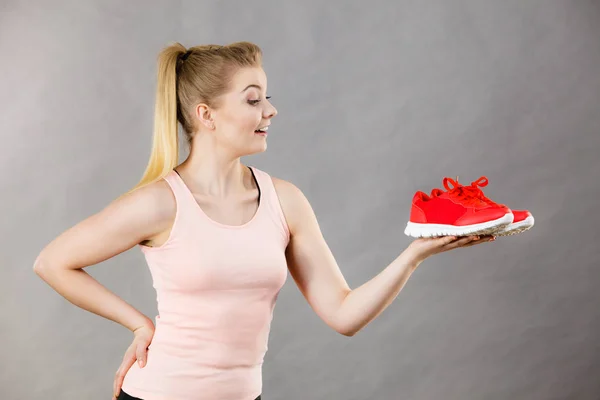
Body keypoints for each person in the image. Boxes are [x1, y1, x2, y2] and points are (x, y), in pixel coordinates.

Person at [33, 41, 494, 400]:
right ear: (206, 115)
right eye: (253, 100)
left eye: (266, 98)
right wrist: (139, 325)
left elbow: (344, 314)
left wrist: (416, 254)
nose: (270, 110)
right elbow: (53, 262)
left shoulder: (285, 201)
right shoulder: (160, 204)